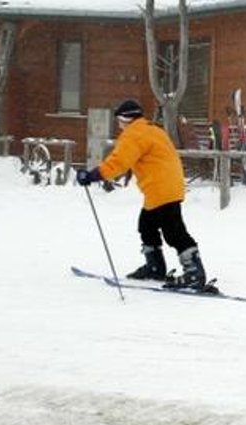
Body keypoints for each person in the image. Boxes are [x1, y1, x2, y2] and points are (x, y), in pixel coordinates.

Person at [77, 99, 208, 289]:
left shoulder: (134, 134)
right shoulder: (153, 130)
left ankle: (194, 274)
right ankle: (155, 267)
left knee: (174, 232)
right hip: (165, 186)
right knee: (146, 225)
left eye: (120, 122)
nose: (120, 127)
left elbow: (119, 162)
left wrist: (93, 175)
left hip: (161, 188)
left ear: (125, 119)